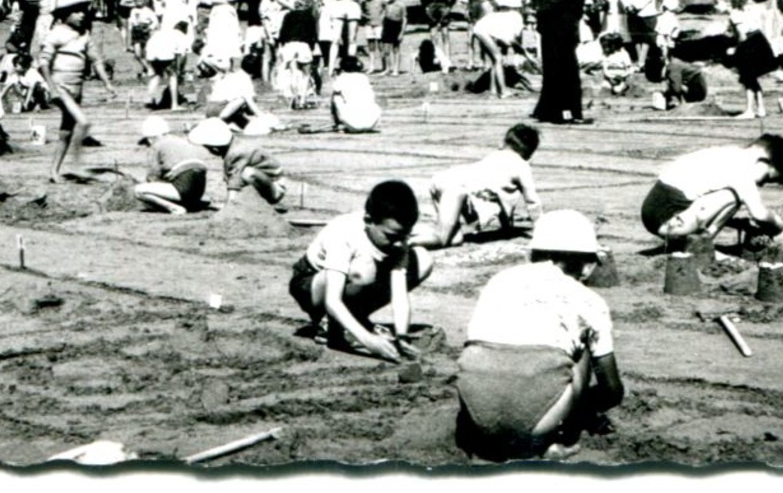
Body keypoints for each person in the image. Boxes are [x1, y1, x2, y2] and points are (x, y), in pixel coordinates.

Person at [455, 209, 624, 462]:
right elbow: (612, 391)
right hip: (540, 421)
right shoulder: (589, 299)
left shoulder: (499, 280)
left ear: (532, 255)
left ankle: (498, 438)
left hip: (478, 416)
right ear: (587, 267)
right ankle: (556, 439)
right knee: (581, 347)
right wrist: (586, 410)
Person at [288, 179, 434, 360]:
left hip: (354, 280)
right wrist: (369, 341)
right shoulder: (345, 232)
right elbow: (332, 300)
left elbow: (399, 293)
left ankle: (354, 319)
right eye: (391, 236)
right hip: (311, 285)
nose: (399, 243)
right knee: (363, 269)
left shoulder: (397, 238)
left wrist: (402, 336)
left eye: (405, 235)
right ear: (368, 220)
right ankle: (329, 325)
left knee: (423, 259)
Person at [640, 134, 783, 253]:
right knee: (733, 196)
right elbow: (759, 215)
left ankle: (692, 243)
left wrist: (736, 223)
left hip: (656, 214)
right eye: (767, 178)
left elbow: (697, 199)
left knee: (731, 194)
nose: (761, 184)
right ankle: (701, 247)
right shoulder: (743, 169)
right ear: (763, 162)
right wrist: (778, 226)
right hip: (669, 221)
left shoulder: (728, 154)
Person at [421, 123, 543, 249]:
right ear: (530, 153)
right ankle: (406, 241)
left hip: (442, 181)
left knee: (455, 240)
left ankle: (409, 238)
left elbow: (498, 199)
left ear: (504, 143)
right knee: (441, 239)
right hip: (456, 190)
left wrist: (507, 228)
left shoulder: (495, 156)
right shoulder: (522, 166)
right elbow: (533, 203)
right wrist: (542, 229)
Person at [39, 1, 115, 182]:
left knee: (66, 132)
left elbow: (96, 60)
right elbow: (43, 63)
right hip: (60, 86)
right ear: (65, 15)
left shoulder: (85, 35)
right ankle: (77, 166)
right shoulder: (55, 34)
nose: (82, 15)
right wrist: (52, 88)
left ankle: (54, 172)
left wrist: (107, 84)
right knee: (84, 122)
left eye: (83, 12)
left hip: (76, 87)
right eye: (76, 12)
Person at [533, 0, 597, 125]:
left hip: (548, 27)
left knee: (552, 70)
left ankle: (546, 111)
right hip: (563, 27)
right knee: (568, 71)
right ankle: (569, 113)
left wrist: (542, 14)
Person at [194, 117, 287, 212]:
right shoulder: (234, 144)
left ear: (214, 148)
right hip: (268, 182)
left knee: (247, 173)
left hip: (275, 190)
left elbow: (235, 181)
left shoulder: (236, 152)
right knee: (244, 173)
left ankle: (260, 203)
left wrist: (230, 206)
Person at [132, 116, 211, 215]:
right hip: (200, 185)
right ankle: (195, 203)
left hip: (184, 184)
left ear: (150, 139)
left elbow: (153, 177)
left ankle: (174, 208)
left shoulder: (156, 145)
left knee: (139, 191)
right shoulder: (181, 141)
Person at [329, 56, 382, 133]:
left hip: (353, 124)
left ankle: (339, 124)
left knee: (336, 96)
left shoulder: (342, 77)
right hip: (372, 121)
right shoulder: (364, 77)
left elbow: (336, 90)